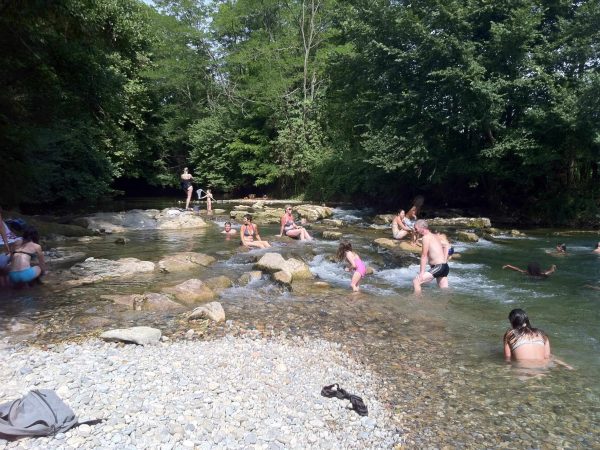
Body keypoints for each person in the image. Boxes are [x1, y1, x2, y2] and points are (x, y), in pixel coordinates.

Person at [413, 219, 449, 294]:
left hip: (438, 267)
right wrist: (445, 260)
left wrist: (421, 272)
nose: (415, 230)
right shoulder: (434, 236)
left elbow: (424, 255)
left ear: (422, 228)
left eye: (416, 228)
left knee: (416, 281)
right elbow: (446, 245)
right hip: (444, 267)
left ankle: (416, 301)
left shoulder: (426, 237)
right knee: (444, 292)